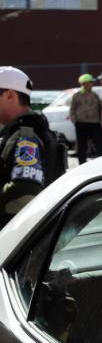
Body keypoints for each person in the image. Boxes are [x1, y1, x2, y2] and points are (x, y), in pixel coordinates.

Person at [0, 67, 57, 228]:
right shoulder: (18, 132)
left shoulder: (26, 137)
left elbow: (25, 193)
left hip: (14, 237)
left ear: (10, 95)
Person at [70, 73, 102, 164]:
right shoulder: (77, 95)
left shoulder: (95, 95)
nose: (92, 84)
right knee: (82, 146)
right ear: (84, 83)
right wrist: (75, 121)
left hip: (95, 123)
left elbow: (100, 108)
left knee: (99, 145)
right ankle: (82, 163)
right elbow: (72, 109)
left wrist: (101, 121)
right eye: (90, 82)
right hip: (81, 124)